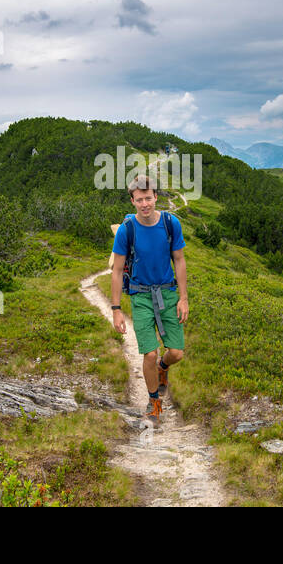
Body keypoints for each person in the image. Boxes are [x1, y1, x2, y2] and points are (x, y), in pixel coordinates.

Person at [110, 174, 188, 425]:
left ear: (156, 197)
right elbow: (116, 270)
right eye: (139, 199)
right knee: (150, 354)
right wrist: (116, 309)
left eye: (148, 198)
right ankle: (154, 403)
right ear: (132, 201)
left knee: (175, 353)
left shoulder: (170, 223)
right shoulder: (126, 230)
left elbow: (179, 259)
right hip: (140, 295)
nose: (145, 204)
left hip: (167, 292)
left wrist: (183, 298)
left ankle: (164, 369)